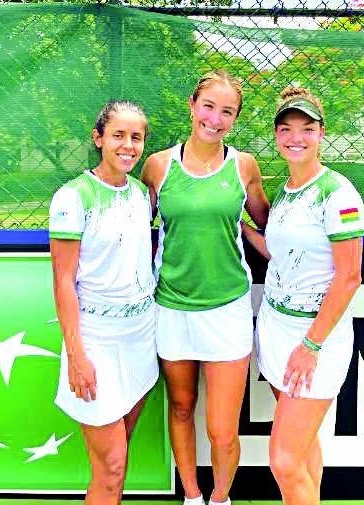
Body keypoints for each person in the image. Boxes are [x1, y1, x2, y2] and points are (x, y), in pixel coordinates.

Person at [141, 69, 269, 505]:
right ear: (193, 105)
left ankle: (220, 498)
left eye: (227, 111)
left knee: (220, 427)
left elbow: (265, 223)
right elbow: (139, 228)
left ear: (234, 119)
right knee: (180, 407)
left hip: (227, 309)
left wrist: (249, 233)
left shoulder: (244, 166)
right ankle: (192, 497)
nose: (215, 118)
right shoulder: (158, 165)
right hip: (171, 307)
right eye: (209, 106)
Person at [243, 87, 364, 505]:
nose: (296, 137)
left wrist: (311, 345)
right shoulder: (286, 191)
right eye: (286, 129)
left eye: (307, 129)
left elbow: (349, 277)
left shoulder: (338, 192)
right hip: (276, 326)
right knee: (304, 449)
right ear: (276, 135)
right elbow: (278, 252)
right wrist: (238, 227)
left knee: (283, 460)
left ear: (321, 133)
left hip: (315, 338)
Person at [49, 100, 158, 505]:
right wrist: (77, 355)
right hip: (95, 342)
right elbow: (63, 281)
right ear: (98, 139)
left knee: (118, 454)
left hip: (139, 337)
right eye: (118, 135)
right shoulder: (72, 197)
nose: (128, 145)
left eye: (136, 137)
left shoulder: (141, 195)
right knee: (112, 467)